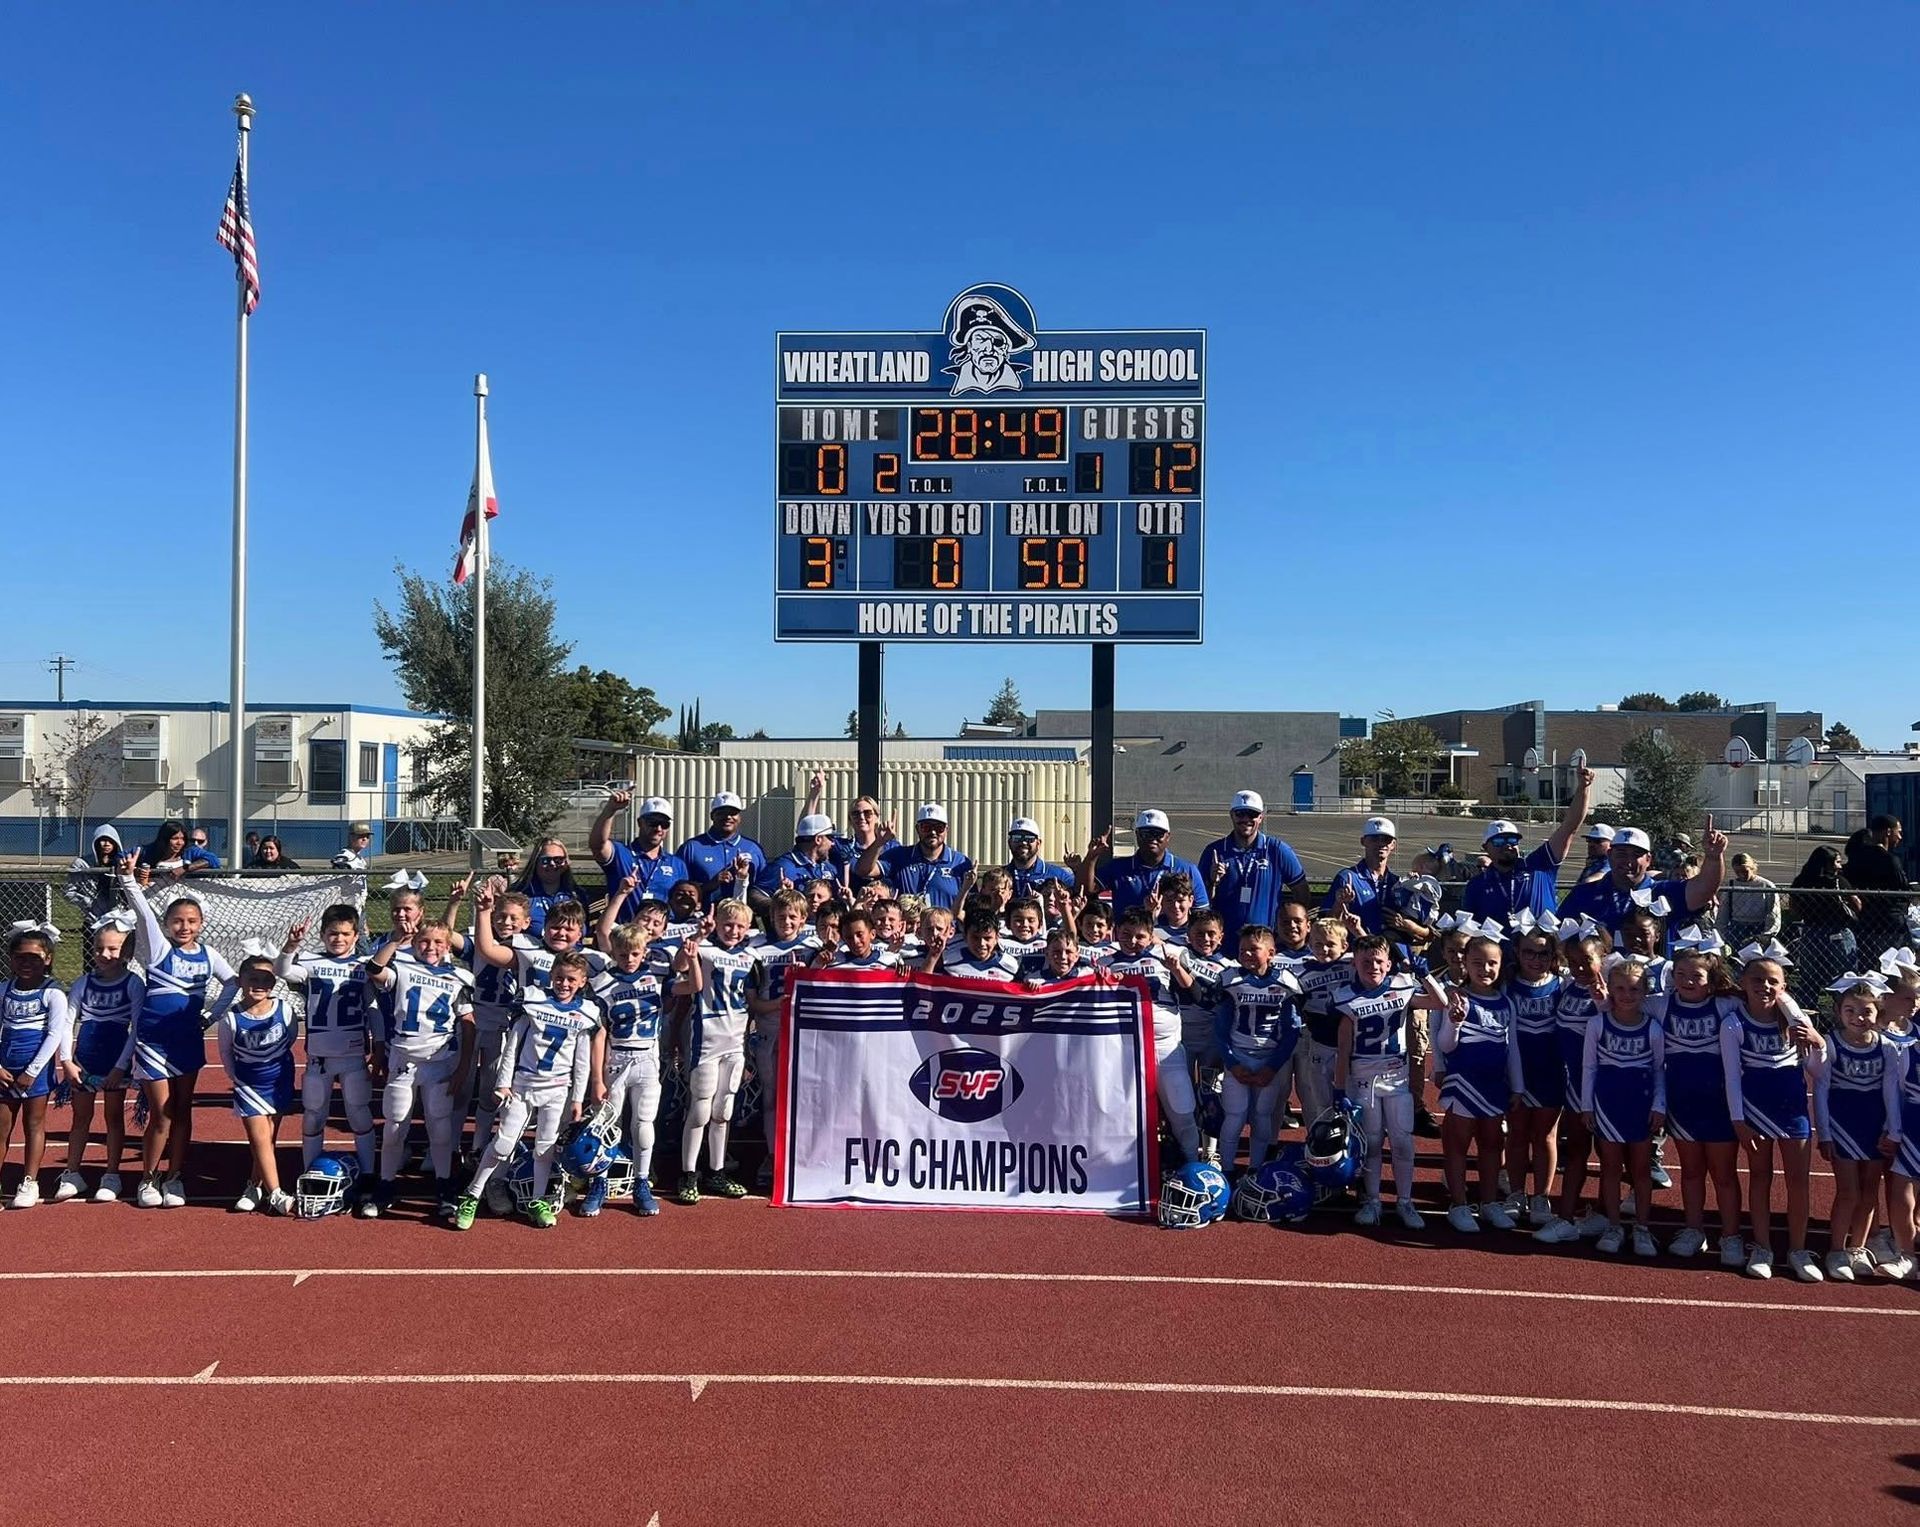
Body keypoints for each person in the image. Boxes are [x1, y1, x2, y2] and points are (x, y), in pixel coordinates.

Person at [113, 860, 233, 1208]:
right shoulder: (160, 948)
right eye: (177, 921)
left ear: (201, 924)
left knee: (183, 1110)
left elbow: (233, 982)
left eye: (192, 921)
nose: (184, 926)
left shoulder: (210, 955)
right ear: (166, 924)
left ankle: (175, 1177)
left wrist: (211, 1015)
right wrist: (126, 878)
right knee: (161, 1112)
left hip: (188, 1042)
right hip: (153, 1043)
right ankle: (148, 1179)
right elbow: (141, 909)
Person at [453, 950, 597, 1230]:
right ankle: (472, 1194)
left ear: (582, 982)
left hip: (557, 1089)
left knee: (544, 1148)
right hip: (523, 1084)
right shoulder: (533, 999)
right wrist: (502, 1082)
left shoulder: (586, 1013)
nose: (563, 984)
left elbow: (582, 1062)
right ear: (551, 975)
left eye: (570, 979)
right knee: (504, 1143)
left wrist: (578, 1098)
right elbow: (513, 1044)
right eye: (559, 977)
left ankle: (537, 1200)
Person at [1724, 943, 1826, 1281]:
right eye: (1757, 980)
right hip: (1755, 1111)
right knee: (1760, 1178)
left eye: (1772, 982)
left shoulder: (1795, 1022)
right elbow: (1731, 1077)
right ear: (1744, 983)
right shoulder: (1733, 1024)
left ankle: (1797, 1249)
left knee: (1798, 1182)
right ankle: (1763, 1246)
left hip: (1793, 1110)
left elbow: (1817, 1071)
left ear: (1783, 988)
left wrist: (1817, 1041)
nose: (1764, 987)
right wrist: (1738, 1120)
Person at [1332, 934, 1448, 1230]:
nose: (1373, 966)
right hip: (1363, 1079)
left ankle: (1405, 1201)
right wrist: (1339, 1088)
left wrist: (1424, 975)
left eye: (1379, 961)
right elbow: (1343, 1048)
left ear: (1389, 963)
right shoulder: (1346, 996)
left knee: (1402, 1141)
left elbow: (1440, 1002)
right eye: (1366, 961)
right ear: (1355, 962)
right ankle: (1372, 1200)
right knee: (1371, 1142)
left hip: (1396, 1077)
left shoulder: (1401, 986)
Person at [364, 920, 477, 1220]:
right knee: (394, 1126)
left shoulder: (458, 977)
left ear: (448, 946)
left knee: (440, 1130)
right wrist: (395, 939)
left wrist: (464, 1067)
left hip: (439, 1063)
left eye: (439, 942)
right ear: (415, 943)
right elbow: (374, 970)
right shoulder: (402, 967)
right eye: (425, 941)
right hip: (403, 1060)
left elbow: (468, 1025)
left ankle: (444, 1186)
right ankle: (386, 1185)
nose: (431, 947)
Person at [1649, 937, 1744, 1264]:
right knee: (1690, 1172)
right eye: (1681, 974)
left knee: (1724, 1174)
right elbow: (1618, 1003)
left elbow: (1775, 998)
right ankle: (1693, 1230)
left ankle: (1731, 1236)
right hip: (1683, 1104)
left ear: (1711, 979)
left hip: (1719, 1104)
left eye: (1697, 976)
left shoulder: (1725, 1005)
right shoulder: (1661, 1004)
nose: (1688, 981)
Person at [276, 905, 377, 1180]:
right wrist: (291, 945)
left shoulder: (365, 966)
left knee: (358, 1114)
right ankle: (309, 1171)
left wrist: (378, 1047)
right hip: (319, 1057)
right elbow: (282, 971)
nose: (339, 939)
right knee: (312, 1116)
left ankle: (368, 1174)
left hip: (353, 1055)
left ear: (356, 936)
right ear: (322, 935)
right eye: (333, 933)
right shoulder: (310, 963)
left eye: (345, 934)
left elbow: (373, 1008)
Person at [1433, 935, 1524, 1233]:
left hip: (1494, 1086)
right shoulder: (1456, 998)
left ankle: (1489, 1203)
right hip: (1463, 1085)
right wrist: (1455, 1021)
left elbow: (1512, 1049)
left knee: (1492, 1145)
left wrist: (1517, 1087)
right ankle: (1459, 1204)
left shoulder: (1505, 1002)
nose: (1485, 968)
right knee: (1457, 1147)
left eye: (1491, 963)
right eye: (1477, 963)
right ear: (1465, 964)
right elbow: (1445, 1045)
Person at [670, 900, 758, 1203]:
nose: (733, 931)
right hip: (706, 1037)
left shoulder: (751, 954)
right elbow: (679, 966)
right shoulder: (705, 949)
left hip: (735, 1039)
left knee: (723, 1110)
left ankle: (717, 1171)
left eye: (739, 926)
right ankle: (688, 1173)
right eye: (727, 924)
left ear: (748, 929)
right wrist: (696, 938)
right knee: (700, 1108)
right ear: (717, 923)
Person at [1098, 907, 1202, 1164]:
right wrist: (1102, 984)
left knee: (1182, 1110)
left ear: (1151, 936)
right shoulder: (1104, 963)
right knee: (1123, 1116)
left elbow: (1197, 996)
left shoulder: (1169, 955)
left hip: (1164, 1047)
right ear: (1115, 933)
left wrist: (1177, 970)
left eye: (1139, 936)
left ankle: (1192, 1167)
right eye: (1126, 934)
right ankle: (1126, 1170)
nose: (1132, 941)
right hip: (1124, 1051)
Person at [53, 911, 143, 1203]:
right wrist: (66, 1061)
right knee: (80, 1119)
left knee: (113, 1119)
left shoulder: (133, 984)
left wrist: (120, 1067)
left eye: (113, 949)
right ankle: (72, 1173)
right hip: (83, 1064)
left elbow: (135, 1030)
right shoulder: (82, 983)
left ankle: (112, 1174)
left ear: (126, 952)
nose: (105, 954)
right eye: (99, 947)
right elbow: (67, 1023)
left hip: (114, 1064)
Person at [1814, 975, 1898, 1281]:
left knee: (1869, 1193)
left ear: (1878, 1013)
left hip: (1873, 1126)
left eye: (1866, 1012)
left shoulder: (1887, 1047)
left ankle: (1857, 1248)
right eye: (1850, 1010)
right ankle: (1836, 1249)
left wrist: (1893, 1130)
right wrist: (1824, 1133)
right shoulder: (1831, 1044)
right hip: (1843, 1126)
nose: (1858, 1018)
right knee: (1848, 1191)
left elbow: (1890, 1091)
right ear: (1839, 1012)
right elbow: (1821, 1090)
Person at [1581, 956, 1666, 1257]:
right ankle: (1614, 1225)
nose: (1626, 996)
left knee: (1641, 1171)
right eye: (1620, 989)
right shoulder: (1597, 1023)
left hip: (1640, 1107)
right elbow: (1589, 1067)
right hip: (1607, 1106)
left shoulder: (1654, 1029)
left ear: (1645, 992)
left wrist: (1659, 1105)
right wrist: (1586, 1106)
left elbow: (1659, 1070)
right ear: (1610, 990)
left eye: (1633, 989)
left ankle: (1642, 1227)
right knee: (1610, 1169)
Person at [584, 923, 666, 1218]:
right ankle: (599, 1182)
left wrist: (692, 952)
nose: (629, 959)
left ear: (644, 952)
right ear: (613, 953)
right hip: (616, 1058)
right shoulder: (603, 982)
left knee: (643, 1125)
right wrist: (597, 1078)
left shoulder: (656, 974)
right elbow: (600, 1032)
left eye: (634, 953)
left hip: (647, 1058)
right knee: (607, 1126)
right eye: (622, 954)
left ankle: (641, 1183)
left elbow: (692, 986)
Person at [1535, 932, 1612, 1244]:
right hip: (1574, 1085)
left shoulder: (1608, 992)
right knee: (1577, 1149)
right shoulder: (1568, 986)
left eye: (1587, 961)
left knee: (1611, 1155)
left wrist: (1604, 1001)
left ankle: (1609, 1217)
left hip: (1603, 1087)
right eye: (1574, 961)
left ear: (1602, 959)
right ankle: (1567, 1217)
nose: (1580, 967)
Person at [1212, 925, 1304, 1177]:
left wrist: (1272, 1067)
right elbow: (1220, 1027)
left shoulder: (1286, 983)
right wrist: (1232, 1063)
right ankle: (1227, 1169)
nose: (1248, 954)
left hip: (1269, 1058)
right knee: (1235, 1115)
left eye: (1254, 949)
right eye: (1243, 950)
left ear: (1271, 953)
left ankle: (1256, 1169)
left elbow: (1291, 1030)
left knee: (1262, 1115)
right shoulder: (1231, 980)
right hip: (1239, 1054)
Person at [211, 953, 299, 1214]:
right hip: (249, 1084)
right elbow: (226, 1053)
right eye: (253, 978)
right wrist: (235, 1078)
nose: (259, 984)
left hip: (279, 1079)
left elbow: (290, 1039)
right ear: (241, 981)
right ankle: (277, 1194)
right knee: (259, 1136)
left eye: (266, 979)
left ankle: (255, 1185)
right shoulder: (232, 1018)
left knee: (268, 1138)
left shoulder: (284, 1009)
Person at [1462, 769, 1595, 928]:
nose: (1507, 845)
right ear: (1486, 848)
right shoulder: (1477, 885)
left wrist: (1583, 787)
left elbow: (1570, 827)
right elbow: (1469, 928)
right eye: (1498, 841)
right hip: (1499, 951)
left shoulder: (1539, 864)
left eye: (1512, 839)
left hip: (1541, 949)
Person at [0, 923, 72, 1209]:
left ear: (48, 959)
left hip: (35, 1071)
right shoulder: (4, 990)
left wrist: (31, 1072)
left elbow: (55, 1035)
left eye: (34, 957)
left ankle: (29, 1181)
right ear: (11, 959)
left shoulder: (53, 993)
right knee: (2, 1128)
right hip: (5, 1069)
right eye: (20, 957)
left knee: (34, 1125)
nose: (26, 962)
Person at [1556, 820, 1726, 937]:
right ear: (1610, 855)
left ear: (1648, 860)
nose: (1628, 861)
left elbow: (1704, 888)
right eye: (1621, 853)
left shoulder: (1663, 893)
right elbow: (1558, 935)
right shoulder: (1583, 894)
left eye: (1636, 854)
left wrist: (1713, 858)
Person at [1503, 927, 1565, 1227]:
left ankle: (1541, 1195)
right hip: (1516, 1072)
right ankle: (1516, 1193)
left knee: (1545, 1136)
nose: (1536, 959)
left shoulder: (1561, 985)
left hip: (1550, 1072)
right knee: (1516, 1134)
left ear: (1553, 956)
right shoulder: (1506, 986)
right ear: (1517, 953)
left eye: (1543, 953)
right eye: (1529, 952)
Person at [1195, 791, 1308, 944]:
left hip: (1264, 944)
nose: (1246, 819)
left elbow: (1301, 891)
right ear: (1232, 815)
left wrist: (1285, 933)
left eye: (1252, 814)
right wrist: (1213, 882)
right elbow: (1201, 903)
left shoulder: (1277, 850)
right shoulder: (1214, 851)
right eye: (1240, 814)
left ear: (1261, 817)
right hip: (1222, 944)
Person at [1085, 809, 1208, 915]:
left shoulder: (1187, 869)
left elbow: (1202, 912)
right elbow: (1087, 890)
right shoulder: (1118, 867)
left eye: (1158, 834)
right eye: (1146, 834)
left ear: (1168, 837)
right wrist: (1091, 858)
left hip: (1175, 940)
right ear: (1137, 835)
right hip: (1129, 940)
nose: (1152, 839)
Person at [589, 792, 689, 922]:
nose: (658, 828)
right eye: (653, 822)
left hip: (659, 936)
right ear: (640, 822)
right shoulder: (621, 853)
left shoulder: (677, 864)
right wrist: (610, 810)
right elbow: (598, 845)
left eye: (664, 824)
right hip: (624, 934)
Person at [858, 803, 974, 910]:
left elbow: (971, 907)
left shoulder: (960, 863)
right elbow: (864, 870)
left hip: (945, 931)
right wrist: (879, 842)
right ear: (917, 829)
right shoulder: (899, 856)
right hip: (906, 930)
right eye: (926, 827)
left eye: (939, 828)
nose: (933, 832)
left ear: (946, 830)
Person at [1787, 846, 1860, 996]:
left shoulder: (1801, 881)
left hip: (1811, 932)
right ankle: (1844, 1010)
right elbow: (1857, 905)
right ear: (1828, 864)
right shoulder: (1838, 881)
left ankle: (1809, 1010)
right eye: (1837, 862)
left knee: (1809, 978)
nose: (1840, 866)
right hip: (1838, 932)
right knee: (1845, 977)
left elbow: (1793, 909)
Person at [677, 793, 768, 908]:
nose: (728, 817)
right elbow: (678, 890)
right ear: (712, 816)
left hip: (741, 922)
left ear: (740, 817)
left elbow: (763, 889)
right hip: (702, 919)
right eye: (722, 813)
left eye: (733, 813)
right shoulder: (692, 848)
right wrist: (710, 885)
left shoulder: (753, 848)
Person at [1843, 815, 1911, 962]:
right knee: (1893, 965)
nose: (1899, 836)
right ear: (1887, 832)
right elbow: (1903, 890)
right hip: (1890, 925)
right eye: (1898, 832)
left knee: (1868, 964)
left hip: (1865, 922)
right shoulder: (1890, 860)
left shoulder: (1857, 859)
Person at [1320, 816, 1399, 935]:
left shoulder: (1397, 883)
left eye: (1386, 839)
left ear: (1393, 845)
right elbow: (1328, 923)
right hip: (1355, 950)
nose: (1381, 844)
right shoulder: (1347, 878)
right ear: (1363, 841)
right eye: (1374, 839)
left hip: (1389, 950)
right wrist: (1339, 903)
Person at [755, 814, 847, 909]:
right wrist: (783, 904)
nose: (833, 843)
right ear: (818, 839)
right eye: (830, 838)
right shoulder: (784, 866)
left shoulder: (828, 866)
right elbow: (755, 895)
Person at [511, 838, 588, 935]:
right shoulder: (519, 893)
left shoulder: (577, 894)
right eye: (545, 860)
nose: (552, 864)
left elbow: (585, 930)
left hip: (572, 949)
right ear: (536, 862)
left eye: (558, 860)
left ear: (566, 863)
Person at [1003, 817, 1076, 901]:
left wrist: (1076, 869)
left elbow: (1082, 893)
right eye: (1017, 838)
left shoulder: (1059, 875)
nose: (1023, 842)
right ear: (1009, 843)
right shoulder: (999, 876)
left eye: (1029, 838)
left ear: (1038, 843)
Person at [1718, 853, 1782, 949]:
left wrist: (1767, 935)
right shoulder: (1731, 885)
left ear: (1752, 868)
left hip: (1759, 927)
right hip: (1736, 928)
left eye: (1744, 871)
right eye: (1737, 872)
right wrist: (1720, 933)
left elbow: (1773, 913)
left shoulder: (1766, 886)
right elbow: (1723, 911)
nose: (1741, 875)